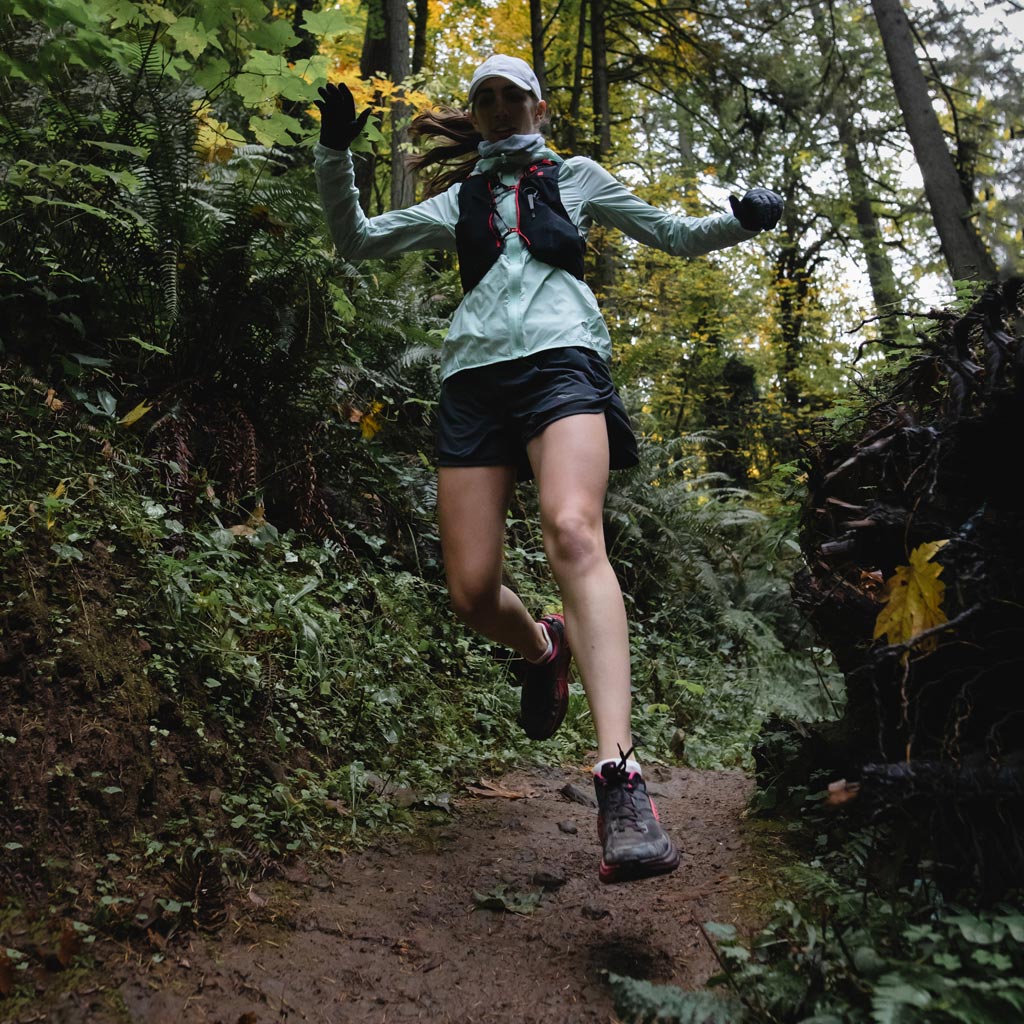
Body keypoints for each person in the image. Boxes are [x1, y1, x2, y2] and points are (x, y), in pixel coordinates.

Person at [314, 54, 782, 884]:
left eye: (510, 96)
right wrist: (334, 155)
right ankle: (542, 652)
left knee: (572, 529)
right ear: (479, 113)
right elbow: (355, 241)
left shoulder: (577, 176)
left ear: (537, 105)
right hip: (472, 379)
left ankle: (621, 782)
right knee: (468, 590)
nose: (496, 109)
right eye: (483, 100)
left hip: (564, 362)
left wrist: (742, 220)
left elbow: (672, 235)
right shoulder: (458, 199)